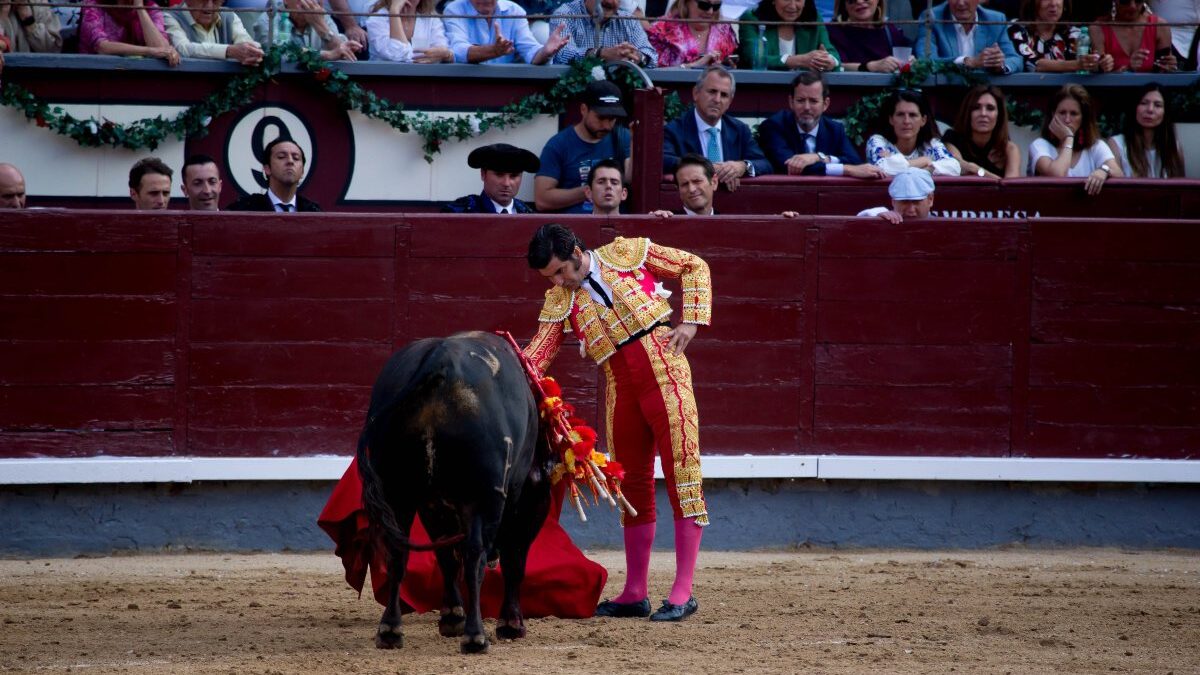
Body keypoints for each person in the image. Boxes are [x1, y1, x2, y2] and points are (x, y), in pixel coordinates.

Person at [523, 222, 712, 622]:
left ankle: (682, 591)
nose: (559, 282)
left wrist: (691, 320)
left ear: (575, 251)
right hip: (618, 383)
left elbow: (694, 266)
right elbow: (539, 353)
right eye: (550, 277)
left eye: (561, 271)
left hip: (664, 365)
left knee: (683, 469)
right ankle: (635, 592)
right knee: (632, 484)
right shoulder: (560, 299)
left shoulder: (627, 253)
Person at [662, 66, 772, 192]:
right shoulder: (674, 130)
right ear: (696, 93)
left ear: (730, 101)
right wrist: (708, 168)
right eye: (712, 92)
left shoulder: (740, 130)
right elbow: (664, 160)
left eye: (724, 95)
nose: (717, 100)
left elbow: (764, 164)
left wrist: (741, 166)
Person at [758, 71, 886, 178]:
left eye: (813, 101)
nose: (807, 107)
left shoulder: (835, 130)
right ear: (791, 102)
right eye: (800, 100)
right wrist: (846, 170)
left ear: (825, 104)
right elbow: (790, 166)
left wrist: (819, 157)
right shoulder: (774, 126)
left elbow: (854, 161)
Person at [535, 79, 632, 214]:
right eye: (601, 117)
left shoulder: (624, 137)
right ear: (583, 109)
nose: (606, 125)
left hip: (616, 227)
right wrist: (592, 190)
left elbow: (631, 179)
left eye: (612, 119)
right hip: (574, 229)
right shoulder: (559, 144)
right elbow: (542, 200)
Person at [1028, 83, 1123, 195]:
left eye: (1074, 114)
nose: (1067, 119)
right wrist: (1068, 138)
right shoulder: (1040, 145)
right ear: (1053, 114)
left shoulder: (1096, 146)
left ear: (1083, 118)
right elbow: (1058, 175)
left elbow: (1119, 173)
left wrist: (1104, 171)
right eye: (1062, 113)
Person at [865, 88, 961, 176]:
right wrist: (924, 160)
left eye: (913, 115)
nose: (906, 121)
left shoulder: (931, 143)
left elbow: (954, 167)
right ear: (891, 119)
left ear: (923, 120)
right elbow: (883, 168)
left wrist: (926, 169)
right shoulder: (878, 141)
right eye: (900, 114)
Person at [443, 0, 568, 64]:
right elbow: (456, 51)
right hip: (466, 85)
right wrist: (494, 51)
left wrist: (545, 52)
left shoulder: (514, 10)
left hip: (504, 89)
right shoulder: (454, 9)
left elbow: (531, 51)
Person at [915, 0, 1023, 73]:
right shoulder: (931, 17)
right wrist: (967, 62)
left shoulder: (995, 19)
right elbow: (925, 61)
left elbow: (1016, 60)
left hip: (984, 94)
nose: (961, 3)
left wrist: (999, 65)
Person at [1105, 82, 1186, 178]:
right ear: (1135, 108)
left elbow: (1181, 188)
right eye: (1144, 103)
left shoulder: (1174, 147)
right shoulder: (1117, 144)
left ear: (1165, 112)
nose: (1150, 109)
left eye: (1157, 105)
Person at [736, 0, 841, 71]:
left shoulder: (814, 19)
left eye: (798, 0)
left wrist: (828, 60)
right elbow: (752, 58)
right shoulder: (752, 18)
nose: (792, 6)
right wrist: (798, 61)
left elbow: (832, 54)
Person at [1007, 0, 1111, 72]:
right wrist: (1077, 65)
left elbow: (1088, 61)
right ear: (1032, 3)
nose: (1053, 4)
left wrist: (1100, 63)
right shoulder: (1017, 29)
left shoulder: (1074, 34)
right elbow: (1032, 64)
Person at [942, 84, 1021, 178]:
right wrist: (983, 173)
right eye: (976, 108)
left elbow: (1010, 188)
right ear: (968, 113)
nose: (983, 114)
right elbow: (958, 166)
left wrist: (977, 170)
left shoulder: (1009, 149)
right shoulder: (952, 139)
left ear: (999, 115)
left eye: (990, 108)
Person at [549, 0, 658, 66]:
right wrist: (601, 54)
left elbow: (652, 56)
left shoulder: (628, 20)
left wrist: (636, 56)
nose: (610, 1)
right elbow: (561, 55)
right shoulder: (565, 14)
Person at [227, 138, 323, 212]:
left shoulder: (313, 211)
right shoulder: (245, 209)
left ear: (302, 172)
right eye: (281, 157)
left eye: (296, 158)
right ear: (267, 169)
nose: (290, 161)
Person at [442, 142, 539, 213]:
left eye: (514, 176)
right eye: (499, 174)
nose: (506, 183)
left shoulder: (527, 213)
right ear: (483, 174)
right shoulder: (458, 212)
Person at [253, 0, 361, 61]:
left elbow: (342, 53)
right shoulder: (269, 19)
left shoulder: (323, 18)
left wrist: (322, 28)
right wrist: (327, 55)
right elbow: (278, 55)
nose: (309, 2)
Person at [79, 0, 179, 66]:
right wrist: (149, 51)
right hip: (98, 74)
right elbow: (102, 47)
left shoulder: (151, 8)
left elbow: (161, 48)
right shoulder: (94, 4)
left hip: (141, 76)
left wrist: (140, 8)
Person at [163, 0, 264, 65]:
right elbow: (183, 49)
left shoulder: (229, 16)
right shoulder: (170, 16)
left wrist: (252, 51)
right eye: (203, 0)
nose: (209, 5)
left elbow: (245, 42)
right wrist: (228, 51)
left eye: (215, 0)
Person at [1090, 0, 1177, 72]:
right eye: (1125, 1)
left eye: (1138, 1)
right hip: (1112, 89)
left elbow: (1163, 72)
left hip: (1151, 87)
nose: (1133, 6)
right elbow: (1097, 74)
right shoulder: (1098, 28)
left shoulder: (1159, 26)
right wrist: (1128, 68)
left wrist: (1170, 67)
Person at [826, 0, 912, 73]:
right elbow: (835, 65)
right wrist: (870, 66)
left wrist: (911, 63)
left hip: (886, 91)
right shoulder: (834, 31)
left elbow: (908, 58)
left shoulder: (890, 30)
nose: (859, 1)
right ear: (843, 5)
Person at [646, 0, 738, 68]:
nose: (710, 11)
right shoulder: (661, 30)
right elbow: (650, 71)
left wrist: (728, 66)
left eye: (716, 6)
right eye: (704, 5)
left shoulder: (725, 31)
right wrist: (692, 65)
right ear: (686, 2)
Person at [366, 0, 452, 62]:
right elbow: (398, 54)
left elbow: (442, 49)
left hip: (425, 78)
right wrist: (394, 11)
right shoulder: (376, 20)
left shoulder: (430, 19)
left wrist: (444, 54)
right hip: (386, 80)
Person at [857, 167, 936, 222]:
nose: (911, 210)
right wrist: (877, 220)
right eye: (904, 202)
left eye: (916, 201)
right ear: (893, 201)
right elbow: (860, 221)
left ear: (930, 199)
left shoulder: (944, 227)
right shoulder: (880, 215)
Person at [651, 152, 719, 216]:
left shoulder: (728, 225)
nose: (691, 189)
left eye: (697, 181)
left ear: (714, 182)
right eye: (684, 184)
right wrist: (656, 225)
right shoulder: (667, 222)